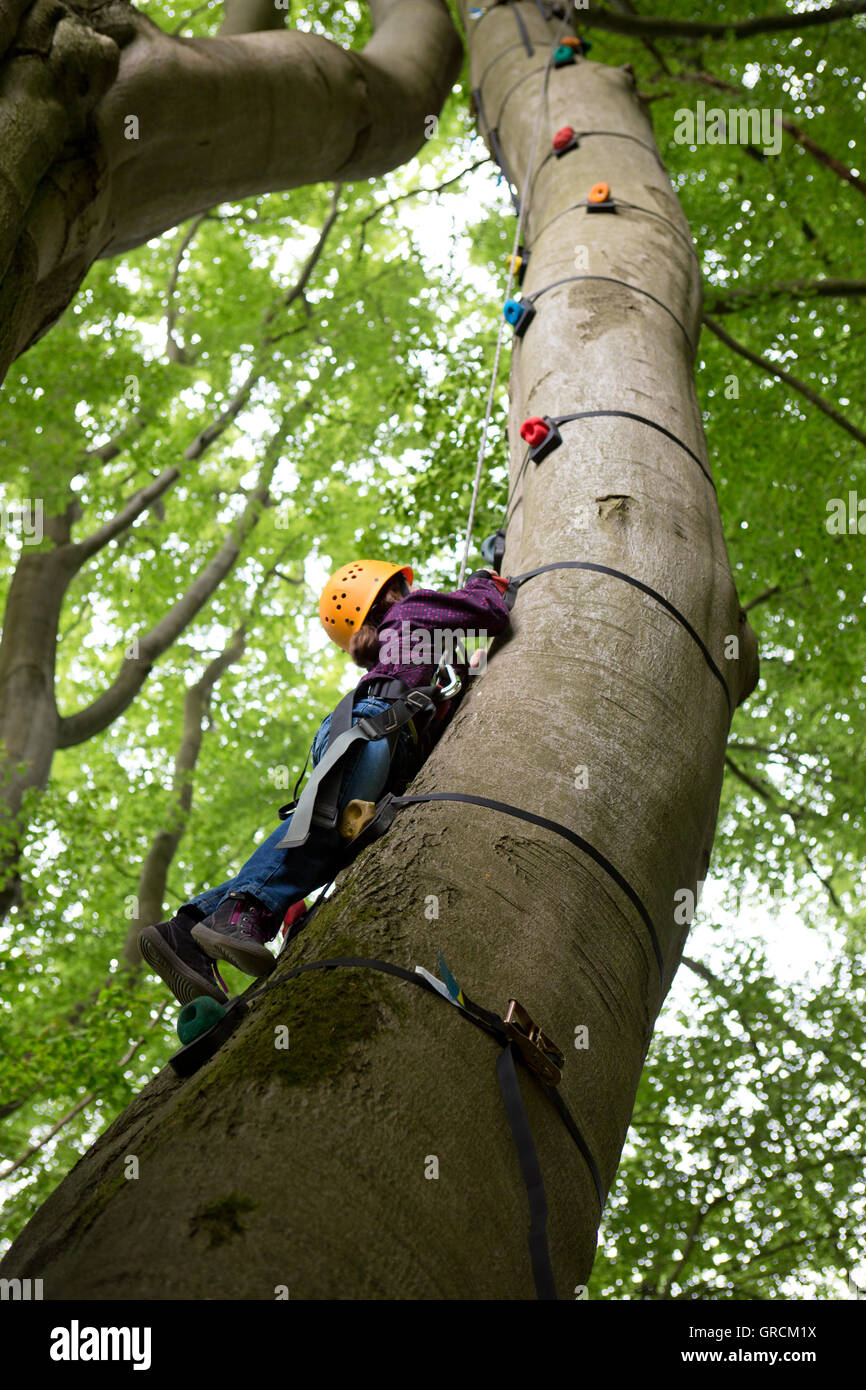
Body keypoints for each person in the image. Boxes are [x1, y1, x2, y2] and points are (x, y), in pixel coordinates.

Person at [139, 559, 512, 1005]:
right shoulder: (414, 611)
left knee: (329, 826)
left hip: (370, 731)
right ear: (388, 592)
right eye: (401, 585)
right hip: (373, 729)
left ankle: (186, 931)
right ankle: (245, 911)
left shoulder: (405, 642)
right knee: (325, 819)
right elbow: (487, 611)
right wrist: (485, 580)